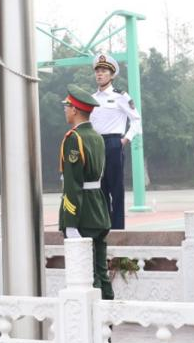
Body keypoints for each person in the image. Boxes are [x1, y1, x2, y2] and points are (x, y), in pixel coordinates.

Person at [60, 84, 114, 300]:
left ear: (75, 110)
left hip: (82, 214)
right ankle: (108, 315)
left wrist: (70, 222)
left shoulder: (74, 138)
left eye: (67, 107)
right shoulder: (97, 136)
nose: (65, 110)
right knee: (101, 272)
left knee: (86, 275)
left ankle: (94, 317)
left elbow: (72, 184)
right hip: (99, 209)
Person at [89, 53, 142, 230]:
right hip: (95, 145)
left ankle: (118, 228)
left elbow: (136, 119)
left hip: (113, 143)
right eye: (97, 70)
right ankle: (104, 227)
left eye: (104, 71)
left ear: (112, 75)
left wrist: (125, 139)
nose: (99, 74)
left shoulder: (121, 96)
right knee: (100, 188)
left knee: (116, 188)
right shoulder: (91, 98)